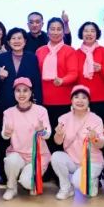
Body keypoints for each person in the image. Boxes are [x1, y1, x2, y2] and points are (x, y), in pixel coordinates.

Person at [0, 27, 41, 172]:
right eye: (13, 38)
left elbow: (36, 81)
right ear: (8, 42)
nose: (17, 41)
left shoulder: (32, 57)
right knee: (5, 136)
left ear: (25, 41)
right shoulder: (1, 58)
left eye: (20, 38)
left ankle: (27, 168)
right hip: (6, 103)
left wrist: (37, 102)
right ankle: (4, 172)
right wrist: (0, 77)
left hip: (27, 104)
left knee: (26, 136)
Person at [0, 77, 52, 200]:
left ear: (31, 92)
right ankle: (11, 187)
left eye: (25, 90)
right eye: (18, 90)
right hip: (17, 153)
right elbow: (4, 135)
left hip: (38, 156)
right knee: (11, 161)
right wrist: (6, 133)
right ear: (14, 93)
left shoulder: (41, 110)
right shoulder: (8, 112)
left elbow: (48, 134)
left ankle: (30, 181)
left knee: (27, 183)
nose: (21, 94)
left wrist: (41, 130)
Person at [51, 85, 104, 200]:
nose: (80, 100)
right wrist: (58, 134)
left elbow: (101, 144)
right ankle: (66, 188)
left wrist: (94, 138)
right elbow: (58, 142)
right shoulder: (63, 118)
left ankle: (93, 181)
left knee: (77, 182)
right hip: (73, 160)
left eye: (84, 97)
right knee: (56, 156)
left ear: (89, 101)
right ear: (71, 100)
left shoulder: (96, 119)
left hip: (92, 162)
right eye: (76, 97)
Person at [36, 16, 78, 146]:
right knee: (45, 136)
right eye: (52, 29)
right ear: (47, 31)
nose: (55, 32)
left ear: (63, 31)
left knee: (63, 136)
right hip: (43, 100)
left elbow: (74, 73)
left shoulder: (69, 50)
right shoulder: (40, 51)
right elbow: (36, 74)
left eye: (59, 29)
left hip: (63, 100)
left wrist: (62, 80)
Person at [75, 21, 104, 121]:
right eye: (86, 31)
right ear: (81, 33)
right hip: (81, 99)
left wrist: (101, 69)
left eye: (92, 31)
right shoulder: (76, 53)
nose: (89, 34)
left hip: (100, 98)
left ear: (97, 34)